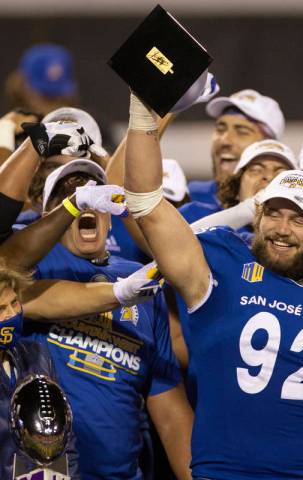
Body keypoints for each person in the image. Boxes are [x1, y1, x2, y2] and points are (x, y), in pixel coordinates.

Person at [123, 93, 303, 479]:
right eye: (273, 213)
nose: (282, 229)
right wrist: (141, 113)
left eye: (298, 219)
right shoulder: (221, 264)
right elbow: (145, 205)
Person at [23, 158, 193, 480]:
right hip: (40, 470)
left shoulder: (140, 279)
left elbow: (168, 408)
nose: (84, 197)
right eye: (67, 196)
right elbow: (22, 290)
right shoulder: (32, 265)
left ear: (110, 219)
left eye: (92, 192)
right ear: (48, 220)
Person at [186, 89, 285, 210]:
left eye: (242, 132)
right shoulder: (189, 196)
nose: (225, 141)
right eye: (220, 129)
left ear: (268, 146)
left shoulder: (283, 215)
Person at [5, 44, 78, 118]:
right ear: (21, 87)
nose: (52, 107)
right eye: (45, 97)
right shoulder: (8, 127)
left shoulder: (81, 125)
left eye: (57, 98)